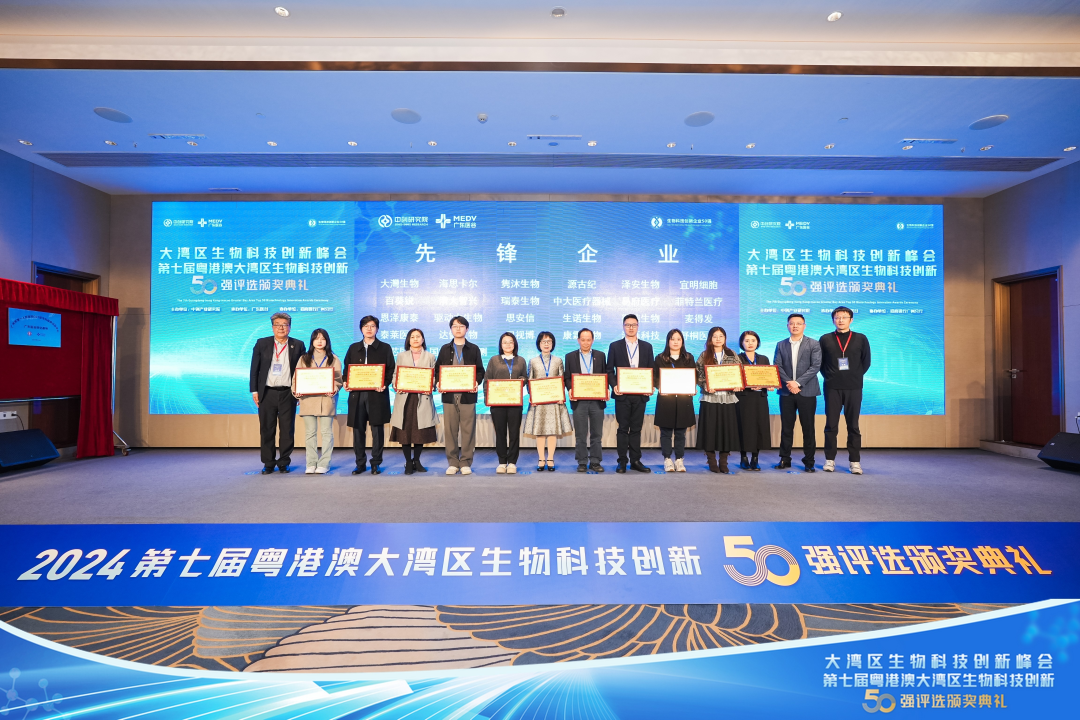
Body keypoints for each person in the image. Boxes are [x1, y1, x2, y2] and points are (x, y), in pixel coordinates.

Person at [249, 312, 306, 474]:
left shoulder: (298, 344)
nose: (281, 328)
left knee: (287, 429)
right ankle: (268, 463)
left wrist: (300, 391)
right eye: (277, 325)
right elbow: (254, 368)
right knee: (267, 428)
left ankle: (284, 462)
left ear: (290, 327)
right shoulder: (262, 343)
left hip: (288, 392)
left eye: (285, 325)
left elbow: (302, 370)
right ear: (272, 327)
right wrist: (254, 390)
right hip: (267, 392)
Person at [819, 306, 871, 475]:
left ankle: (854, 461)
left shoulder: (861, 338)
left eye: (844, 317)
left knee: (853, 426)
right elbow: (820, 363)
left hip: (854, 387)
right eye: (837, 317)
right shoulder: (825, 339)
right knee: (831, 425)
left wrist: (854, 375)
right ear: (833, 320)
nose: (840, 320)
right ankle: (829, 460)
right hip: (832, 387)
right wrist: (831, 376)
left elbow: (866, 362)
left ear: (851, 320)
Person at [343, 315, 395, 475]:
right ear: (361, 329)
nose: (369, 329)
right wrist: (345, 381)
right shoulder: (353, 348)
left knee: (377, 430)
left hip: (377, 395)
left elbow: (390, 369)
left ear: (377, 329)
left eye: (372, 326)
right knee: (358, 430)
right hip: (357, 394)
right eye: (366, 326)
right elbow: (347, 368)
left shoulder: (385, 348)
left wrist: (384, 384)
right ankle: (360, 463)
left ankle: (376, 463)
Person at [434, 316, 485, 475]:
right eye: (455, 326)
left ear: (467, 329)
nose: (458, 329)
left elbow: (480, 371)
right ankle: (453, 462)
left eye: (461, 326)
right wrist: (438, 382)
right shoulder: (444, 348)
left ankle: (466, 462)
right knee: (450, 430)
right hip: (449, 396)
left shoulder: (474, 348)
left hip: (467, 395)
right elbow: (438, 370)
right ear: (451, 329)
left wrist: (476, 382)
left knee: (468, 430)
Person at [773, 313, 821, 473]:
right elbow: (777, 366)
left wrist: (798, 383)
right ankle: (785, 458)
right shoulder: (781, 344)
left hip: (807, 391)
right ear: (787, 326)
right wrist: (790, 383)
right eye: (792, 323)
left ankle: (809, 461)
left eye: (798, 323)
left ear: (804, 326)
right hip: (786, 392)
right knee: (786, 427)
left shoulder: (813, 343)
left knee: (808, 428)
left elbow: (815, 366)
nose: (795, 326)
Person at [607, 314, 655, 473]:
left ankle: (635, 460)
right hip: (622, 395)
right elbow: (609, 370)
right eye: (628, 325)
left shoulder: (647, 346)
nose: (631, 327)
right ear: (623, 327)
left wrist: (650, 385)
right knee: (622, 429)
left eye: (634, 325)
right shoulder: (615, 346)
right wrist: (614, 385)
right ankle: (622, 461)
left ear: (638, 326)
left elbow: (651, 370)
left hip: (640, 395)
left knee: (636, 429)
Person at [292, 328, 343, 474]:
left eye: (323, 338)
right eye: (316, 338)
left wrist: (334, 388)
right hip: (308, 399)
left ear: (327, 341)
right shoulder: (304, 358)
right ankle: (311, 463)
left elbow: (338, 379)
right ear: (312, 341)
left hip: (326, 400)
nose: (319, 341)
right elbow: (296, 378)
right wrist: (296, 391)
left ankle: (324, 463)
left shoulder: (333, 358)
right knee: (310, 433)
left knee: (326, 433)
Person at [390, 328, 438, 475]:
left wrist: (430, 385)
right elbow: (395, 374)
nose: (415, 339)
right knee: (405, 432)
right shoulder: (401, 355)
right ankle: (408, 462)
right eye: (412, 337)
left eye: (418, 336)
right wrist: (396, 384)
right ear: (408, 340)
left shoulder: (430, 356)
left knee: (420, 432)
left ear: (423, 339)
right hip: (405, 398)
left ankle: (416, 460)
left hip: (422, 397)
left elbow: (434, 376)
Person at [523, 331, 574, 471]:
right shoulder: (533, 361)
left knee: (552, 431)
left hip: (554, 401)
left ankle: (550, 458)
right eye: (543, 341)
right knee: (540, 431)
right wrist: (532, 396)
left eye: (549, 341)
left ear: (553, 344)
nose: (546, 344)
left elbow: (561, 380)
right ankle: (541, 459)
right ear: (539, 344)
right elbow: (530, 380)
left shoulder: (558, 361)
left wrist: (561, 396)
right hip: (538, 402)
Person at [695, 326, 742, 474]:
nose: (718, 339)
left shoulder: (732, 354)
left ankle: (723, 461)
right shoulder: (704, 355)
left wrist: (738, 384)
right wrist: (705, 385)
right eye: (715, 336)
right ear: (710, 338)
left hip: (728, 398)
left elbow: (739, 372)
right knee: (709, 430)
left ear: (725, 338)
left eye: (721, 336)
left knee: (726, 430)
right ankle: (711, 460)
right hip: (710, 398)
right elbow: (698, 375)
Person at [652, 328, 697, 472]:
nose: (676, 342)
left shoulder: (688, 358)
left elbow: (693, 376)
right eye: (672, 339)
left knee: (680, 433)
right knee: (665, 432)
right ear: (668, 341)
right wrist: (659, 386)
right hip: (666, 400)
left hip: (683, 401)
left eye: (678, 339)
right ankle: (667, 459)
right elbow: (655, 377)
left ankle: (679, 459)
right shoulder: (660, 358)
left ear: (682, 341)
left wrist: (692, 387)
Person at [485, 332, 528, 474]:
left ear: (515, 344)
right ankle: (502, 462)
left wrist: (522, 379)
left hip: (515, 403)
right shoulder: (494, 360)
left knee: (514, 433)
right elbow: (487, 380)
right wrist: (487, 398)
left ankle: (512, 462)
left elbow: (525, 377)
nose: (508, 345)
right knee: (500, 433)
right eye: (505, 342)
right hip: (497, 403)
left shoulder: (521, 360)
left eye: (510, 342)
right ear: (500, 345)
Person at [564, 327, 607, 473]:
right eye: (583, 340)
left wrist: (605, 389)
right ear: (578, 340)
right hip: (579, 401)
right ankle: (582, 461)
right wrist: (570, 389)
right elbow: (567, 377)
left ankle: (595, 461)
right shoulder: (570, 357)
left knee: (597, 434)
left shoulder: (600, 355)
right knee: (580, 434)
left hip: (597, 401)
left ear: (593, 340)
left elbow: (605, 376)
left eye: (589, 340)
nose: (586, 342)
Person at [735, 330, 773, 472]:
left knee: (759, 427)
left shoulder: (764, 359)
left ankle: (755, 459)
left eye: (753, 340)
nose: (750, 343)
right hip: (743, 398)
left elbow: (769, 377)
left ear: (757, 342)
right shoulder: (737, 358)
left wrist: (768, 385)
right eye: (747, 340)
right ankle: (743, 458)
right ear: (742, 343)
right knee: (744, 427)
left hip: (760, 398)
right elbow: (735, 378)